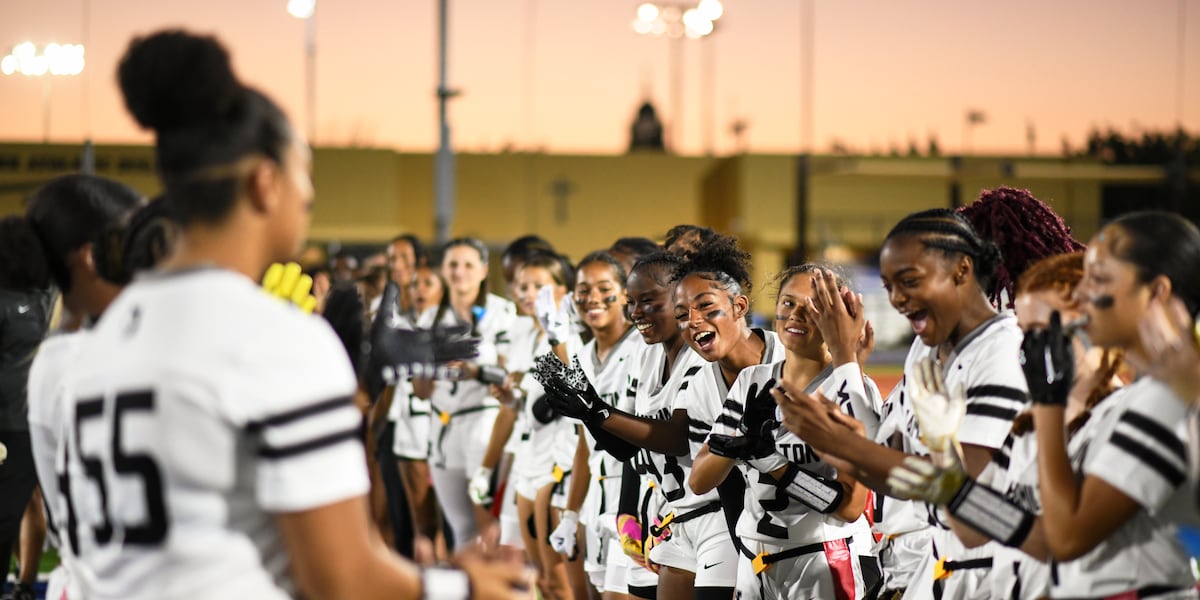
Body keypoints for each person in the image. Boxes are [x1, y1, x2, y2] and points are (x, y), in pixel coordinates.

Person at [31, 29, 528, 599]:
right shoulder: (274, 339)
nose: (308, 194)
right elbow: (343, 578)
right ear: (265, 183)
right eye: (303, 171)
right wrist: (462, 587)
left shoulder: (97, 341)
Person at [775, 208, 1030, 597]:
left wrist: (849, 445)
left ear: (962, 269)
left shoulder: (1001, 350)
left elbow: (969, 504)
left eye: (909, 281)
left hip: (986, 574)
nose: (897, 299)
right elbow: (889, 474)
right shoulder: (926, 350)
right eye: (888, 286)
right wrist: (843, 438)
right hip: (930, 565)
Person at [689, 265, 881, 599]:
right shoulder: (753, 381)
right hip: (753, 558)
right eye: (789, 303)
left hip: (823, 556)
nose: (796, 315)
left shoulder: (850, 388)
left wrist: (773, 463)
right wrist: (733, 445)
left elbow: (850, 508)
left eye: (813, 307)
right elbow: (699, 481)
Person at [550, 251, 643, 600]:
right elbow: (583, 445)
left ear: (624, 293)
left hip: (634, 500)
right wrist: (570, 514)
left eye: (604, 288)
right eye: (583, 290)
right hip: (596, 502)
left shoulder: (642, 348)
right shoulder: (581, 357)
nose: (593, 298)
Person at [418, 237, 518, 549]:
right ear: (443, 270)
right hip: (442, 427)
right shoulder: (430, 318)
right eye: (453, 264)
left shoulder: (502, 312)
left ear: (484, 270)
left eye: (468, 265)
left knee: (487, 527)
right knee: (460, 529)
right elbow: (421, 391)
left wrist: (475, 371)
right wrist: (421, 361)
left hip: (483, 424)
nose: (459, 272)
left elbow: (510, 378)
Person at [0, 216, 56, 600]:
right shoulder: (5, 299)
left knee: (32, 500)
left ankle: (24, 585)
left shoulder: (50, 291)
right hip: (7, 423)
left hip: (39, 419)